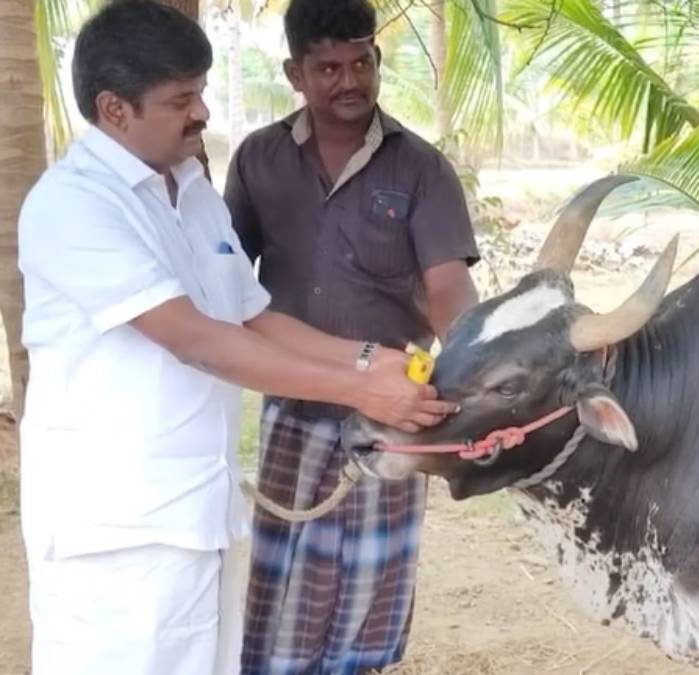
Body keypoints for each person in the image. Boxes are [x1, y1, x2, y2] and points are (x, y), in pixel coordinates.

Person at [16, 2, 458, 673]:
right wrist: (364, 389)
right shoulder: (74, 204)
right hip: (116, 533)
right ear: (114, 110)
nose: (202, 114)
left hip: (197, 512)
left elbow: (252, 315)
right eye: (181, 100)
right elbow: (195, 338)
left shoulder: (191, 190)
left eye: (200, 94)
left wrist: (375, 358)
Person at [222, 0, 481, 671]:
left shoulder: (422, 168)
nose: (348, 81)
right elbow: (225, 285)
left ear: (377, 61)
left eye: (360, 62)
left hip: (392, 414)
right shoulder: (257, 159)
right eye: (327, 67)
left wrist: (478, 359)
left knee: (370, 593)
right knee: (284, 585)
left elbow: (449, 285)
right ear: (295, 73)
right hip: (292, 405)